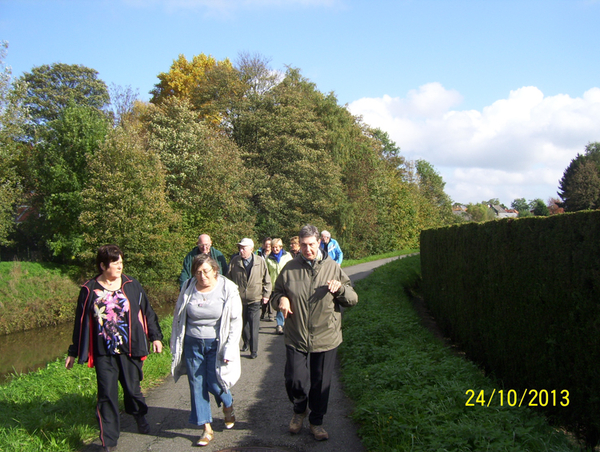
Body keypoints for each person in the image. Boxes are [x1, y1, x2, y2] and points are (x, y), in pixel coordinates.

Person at [65, 245, 163, 452]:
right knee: (106, 395)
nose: (120, 265)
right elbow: (79, 321)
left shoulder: (131, 284)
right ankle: (108, 441)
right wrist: (73, 351)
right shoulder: (89, 289)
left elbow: (147, 312)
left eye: (121, 262)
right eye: (115, 262)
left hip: (130, 348)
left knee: (132, 390)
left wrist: (155, 337)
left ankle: (139, 415)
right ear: (103, 265)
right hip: (103, 352)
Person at [271, 225, 358, 441]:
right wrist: (280, 299)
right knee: (294, 380)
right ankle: (300, 410)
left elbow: (353, 299)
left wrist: (340, 289)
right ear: (298, 245)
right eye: (303, 245)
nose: (307, 249)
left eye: (311, 244)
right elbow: (276, 294)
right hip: (296, 334)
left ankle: (316, 422)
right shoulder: (290, 268)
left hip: (326, 335)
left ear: (318, 243)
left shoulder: (332, 267)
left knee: (321, 384)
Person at [171, 254, 242, 447]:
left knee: (214, 382)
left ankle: (227, 403)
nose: (202, 276)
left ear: (215, 270)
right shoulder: (188, 287)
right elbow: (179, 316)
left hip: (216, 343)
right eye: (198, 272)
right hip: (192, 343)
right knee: (196, 384)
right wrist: (175, 344)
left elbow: (235, 322)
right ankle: (206, 428)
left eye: (206, 271)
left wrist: (229, 348)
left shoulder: (228, 289)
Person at [227, 238, 271, 359]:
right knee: (242, 324)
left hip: (255, 299)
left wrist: (266, 295)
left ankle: (254, 350)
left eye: (243, 248)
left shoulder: (260, 261)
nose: (241, 250)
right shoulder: (234, 261)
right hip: (239, 299)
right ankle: (246, 341)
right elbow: (228, 279)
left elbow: (267, 279)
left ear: (251, 249)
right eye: (240, 248)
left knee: (254, 325)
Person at [265, 238, 293, 335]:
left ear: (281, 247)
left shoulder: (288, 256)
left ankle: (289, 324)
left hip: (287, 284)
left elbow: (292, 270)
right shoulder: (268, 258)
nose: (275, 249)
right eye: (273, 247)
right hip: (275, 286)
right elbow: (266, 273)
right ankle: (280, 325)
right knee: (279, 305)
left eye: (277, 247)